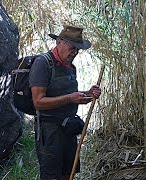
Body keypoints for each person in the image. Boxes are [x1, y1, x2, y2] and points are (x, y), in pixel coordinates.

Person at [29, 25, 101, 180]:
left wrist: (88, 94)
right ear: (59, 42)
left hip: (68, 128)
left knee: (69, 173)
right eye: (72, 47)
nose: (74, 52)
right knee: (51, 175)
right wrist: (70, 98)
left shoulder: (71, 68)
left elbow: (69, 95)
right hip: (49, 131)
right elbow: (38, 102)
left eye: (78, 49)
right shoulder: (43, 64)